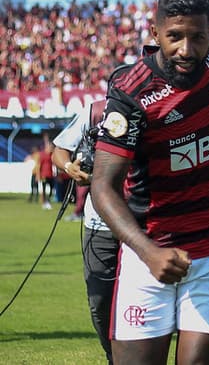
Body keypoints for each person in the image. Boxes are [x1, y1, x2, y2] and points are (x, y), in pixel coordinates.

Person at [90, 0, 209, 365]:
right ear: (155, 33)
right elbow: (103, 186)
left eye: (198, 37)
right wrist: (148, 252)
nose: (186, 49)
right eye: (174, 36)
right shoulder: (131, 92)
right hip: (151, 252)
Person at [52, 98, 118, 364]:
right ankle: (114, 356)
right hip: (99, 226)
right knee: (99, 304)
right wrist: (70, 168)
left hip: (144, 225)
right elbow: (59, 150)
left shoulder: (154, 109)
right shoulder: (94, 111)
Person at [39, 139, 55, 209]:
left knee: (52, 189)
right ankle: (44, 202)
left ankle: (48, 201)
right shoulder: (42, 154)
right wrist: (39, 175)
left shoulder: (52, 155)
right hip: (44, 175)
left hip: (51, 175)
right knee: (44, 189)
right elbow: (39, 165)